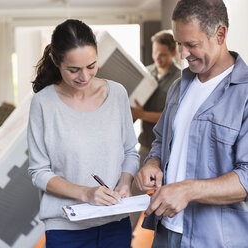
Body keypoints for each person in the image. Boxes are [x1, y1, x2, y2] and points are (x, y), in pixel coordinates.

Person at [134, 0, 248, 247]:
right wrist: (152, 162)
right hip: (165, 231)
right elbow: (161, 140)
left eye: (191, 45)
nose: (183, 55)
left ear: (220, 34)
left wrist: (187, 190)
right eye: (179, 44)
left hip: (215, 239)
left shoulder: (245, 95)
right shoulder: (179, 87)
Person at [27, 19, 140, 248]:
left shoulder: (117, 94)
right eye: (73, 70)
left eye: (91, 66)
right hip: (66, 228)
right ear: (55, 61)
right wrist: (86, 193)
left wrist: (125, 181)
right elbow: (39, 172)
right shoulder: (43, 103)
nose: (84, 77)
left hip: (114, 224)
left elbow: (130, 151)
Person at [130, 30, 181, 232]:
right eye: (155, 53)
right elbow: (134, 108)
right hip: (145, 147)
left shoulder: (180, 80)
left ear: (174, 53)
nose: (157, 58)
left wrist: (141, 113)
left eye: (163, 54)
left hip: (169, 152)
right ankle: (126, 238)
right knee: (133, 197)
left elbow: (168, 117)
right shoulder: (145, 75)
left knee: (165, 200)